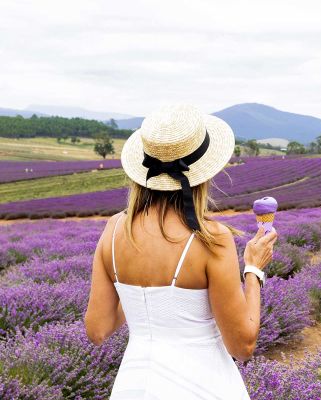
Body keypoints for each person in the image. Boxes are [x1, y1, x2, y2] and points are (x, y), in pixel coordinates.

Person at [84, 104, 277, 399]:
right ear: (204, 171)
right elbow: (242, 346)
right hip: (201, 385)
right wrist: (253, 270)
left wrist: (141, 293)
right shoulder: (211, 238)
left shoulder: (113, 230)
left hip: (132, 386)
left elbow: (98, 330)